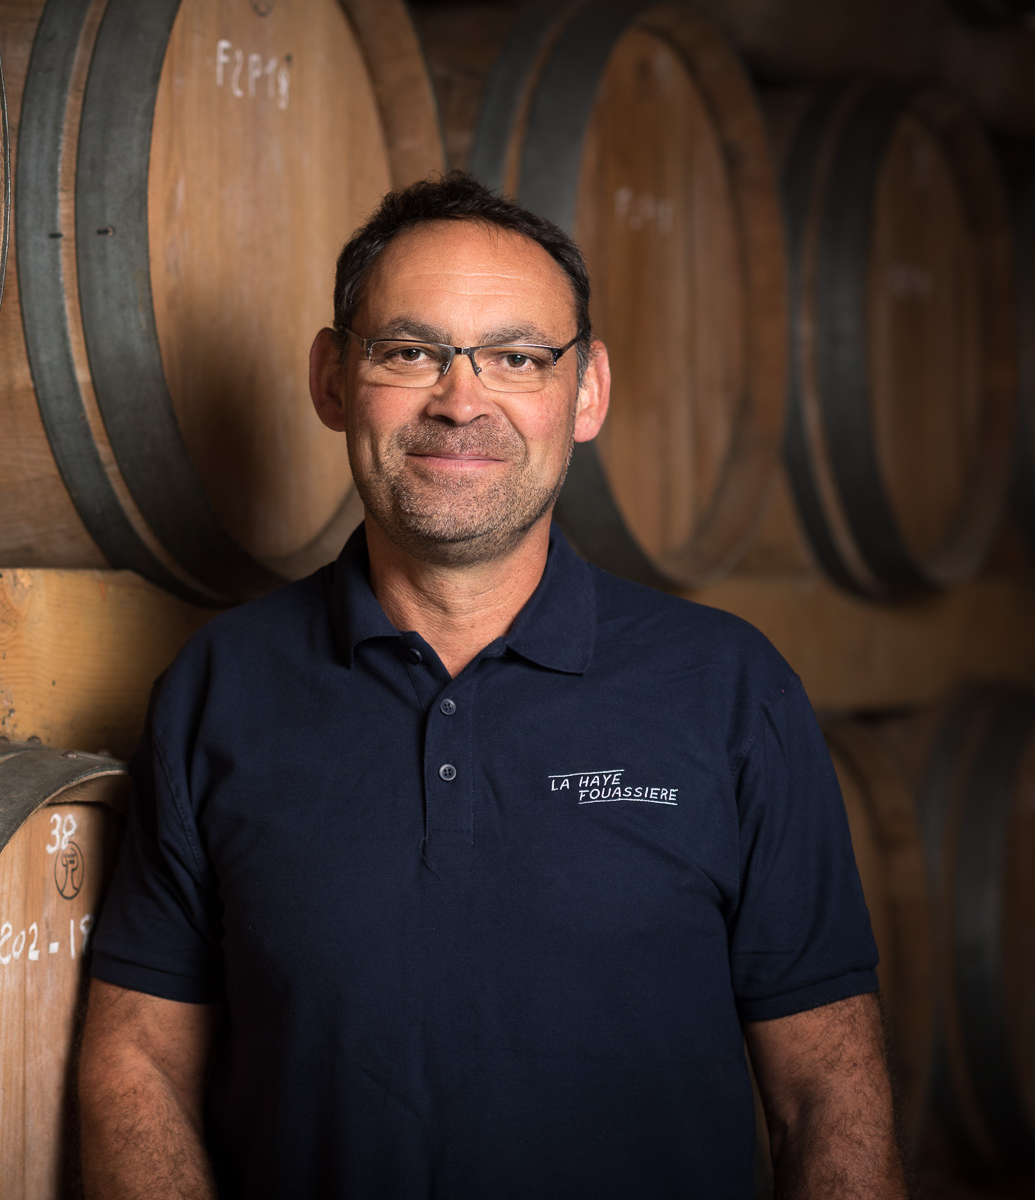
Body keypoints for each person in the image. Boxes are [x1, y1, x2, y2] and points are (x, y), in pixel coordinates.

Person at [75, 174, 903, 1198]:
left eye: (516, 357)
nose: (460, 401)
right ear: (333, 380)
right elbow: (137, 1062)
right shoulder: (218, 688)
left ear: (585, 390)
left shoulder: (731, 690)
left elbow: (828, 1093)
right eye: (409, 352)